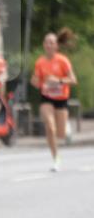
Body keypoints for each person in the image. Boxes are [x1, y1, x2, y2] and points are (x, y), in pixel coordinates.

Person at [30, 29, 77, 172]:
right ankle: (56, 158)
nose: (49, 45)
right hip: (46, 98)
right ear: (44, 45)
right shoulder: (40, 62)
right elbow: (34, 80)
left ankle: (66, 128)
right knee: (50, 127)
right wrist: (39, 83)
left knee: (61, 134)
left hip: (61, 99)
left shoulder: (63, 60)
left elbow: (73, 80)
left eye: (52, 42)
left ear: (56, 45)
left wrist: (58, 81)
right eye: (46, 42)